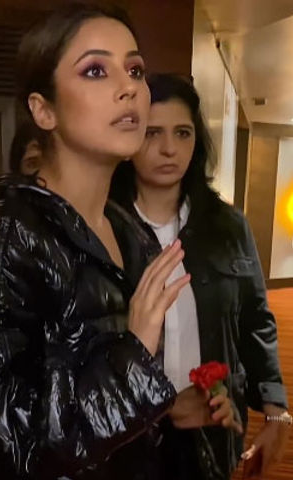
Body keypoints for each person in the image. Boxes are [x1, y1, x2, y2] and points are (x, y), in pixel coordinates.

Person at [0, 4, 239, 479]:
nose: (129, 88)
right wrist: (133, 360)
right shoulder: (6, 229)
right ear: (44, 109)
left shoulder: (128, 230)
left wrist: (162, 408)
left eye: (135, 70)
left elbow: (106, 409)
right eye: (96, 70)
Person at [110, 73, 289, 479]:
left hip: (213, 421)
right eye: (152, 132)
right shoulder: (104, 227)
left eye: (183, 133)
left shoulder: (228, 226)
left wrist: (276, 411)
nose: (169, 148)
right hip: (128, 435)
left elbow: (256, 321)